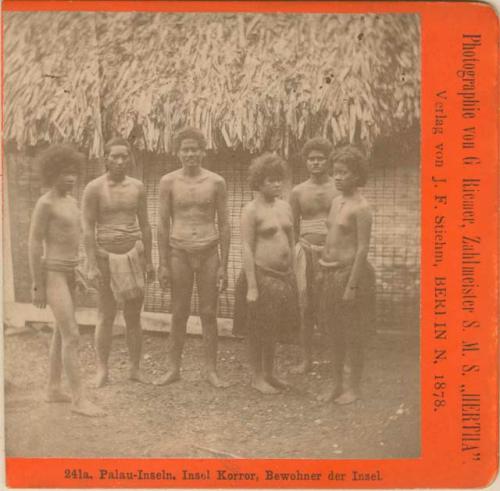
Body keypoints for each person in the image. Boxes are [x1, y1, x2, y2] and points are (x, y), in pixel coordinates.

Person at [28, 144, 104, 416]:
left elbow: (74, 242)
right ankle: (79, 399)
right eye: (63, 173)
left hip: (70, 273)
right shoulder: (45, 203)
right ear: (51, 174)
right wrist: (37, 284)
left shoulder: (72, 202)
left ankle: (52, 388)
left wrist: (80, 271)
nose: (70, 178)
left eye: (73, 172)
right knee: (72, 334)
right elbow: (35, 244)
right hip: (52, 275)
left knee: (61, 332)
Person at [156, 127, 230, 388]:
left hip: (209, 250)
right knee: (179, 312)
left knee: (209, 312)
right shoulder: (168, 182)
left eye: (195, 149)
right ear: (178, 153)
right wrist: (163, 263)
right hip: (179, 251)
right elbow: (163, 224)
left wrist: (224, 265)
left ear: (203, 152)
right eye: (185, 150)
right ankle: (173, 368)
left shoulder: (216, 182)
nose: (191, 154)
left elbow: (224, 224)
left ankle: (211, 370)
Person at [82, 137, 154, 388]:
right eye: (115, 156)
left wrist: (150, 261)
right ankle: (102, 371)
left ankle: (135, 369)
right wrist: (91, 263)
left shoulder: (138, 187)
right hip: (105, 256)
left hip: (134, 254)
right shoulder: (94, 188)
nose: (121, 161)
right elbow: (88, 228)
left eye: (125, 156)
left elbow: (145, 224)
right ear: (106, 159)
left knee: (134, 315)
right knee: (105, 314)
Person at [233, 153, 299, 394]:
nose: (277, 184)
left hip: (282, 277)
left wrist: (292, 271)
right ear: (258, 182)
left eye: (279, 180)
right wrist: (252, 285)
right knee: (257, 329)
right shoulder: (250, 211)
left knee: (273, 328)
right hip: (261, 276)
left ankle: (270, 373)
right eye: (271, 180)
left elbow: (292, 241)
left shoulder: (285, 207)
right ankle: (257, 377)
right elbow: (247, 247)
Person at [318, 145, 376, 405]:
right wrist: (321, 265)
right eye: (335, 172)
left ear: (357, 176)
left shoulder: (361, 208)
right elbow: (332, 238)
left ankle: (354, 388)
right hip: (330, 273)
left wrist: (352, 286)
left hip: (352, 276)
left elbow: (362, 248)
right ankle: (336, 384)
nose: (337, 177)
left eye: (344, 173)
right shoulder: (336, 201)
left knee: (353, 333)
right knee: (333, 332)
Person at [289, 137, 338, 373]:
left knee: (333, 305)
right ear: (306, 162)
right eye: (311, 159)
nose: (316, 163)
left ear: (328, 161)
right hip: (306, 254)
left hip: (334, 253)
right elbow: (292, 228)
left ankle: (338, 360)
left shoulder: (338, 188)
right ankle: (306, 360)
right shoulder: (298, 191)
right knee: (305, 307)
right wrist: (298, 250)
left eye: (320, 158)